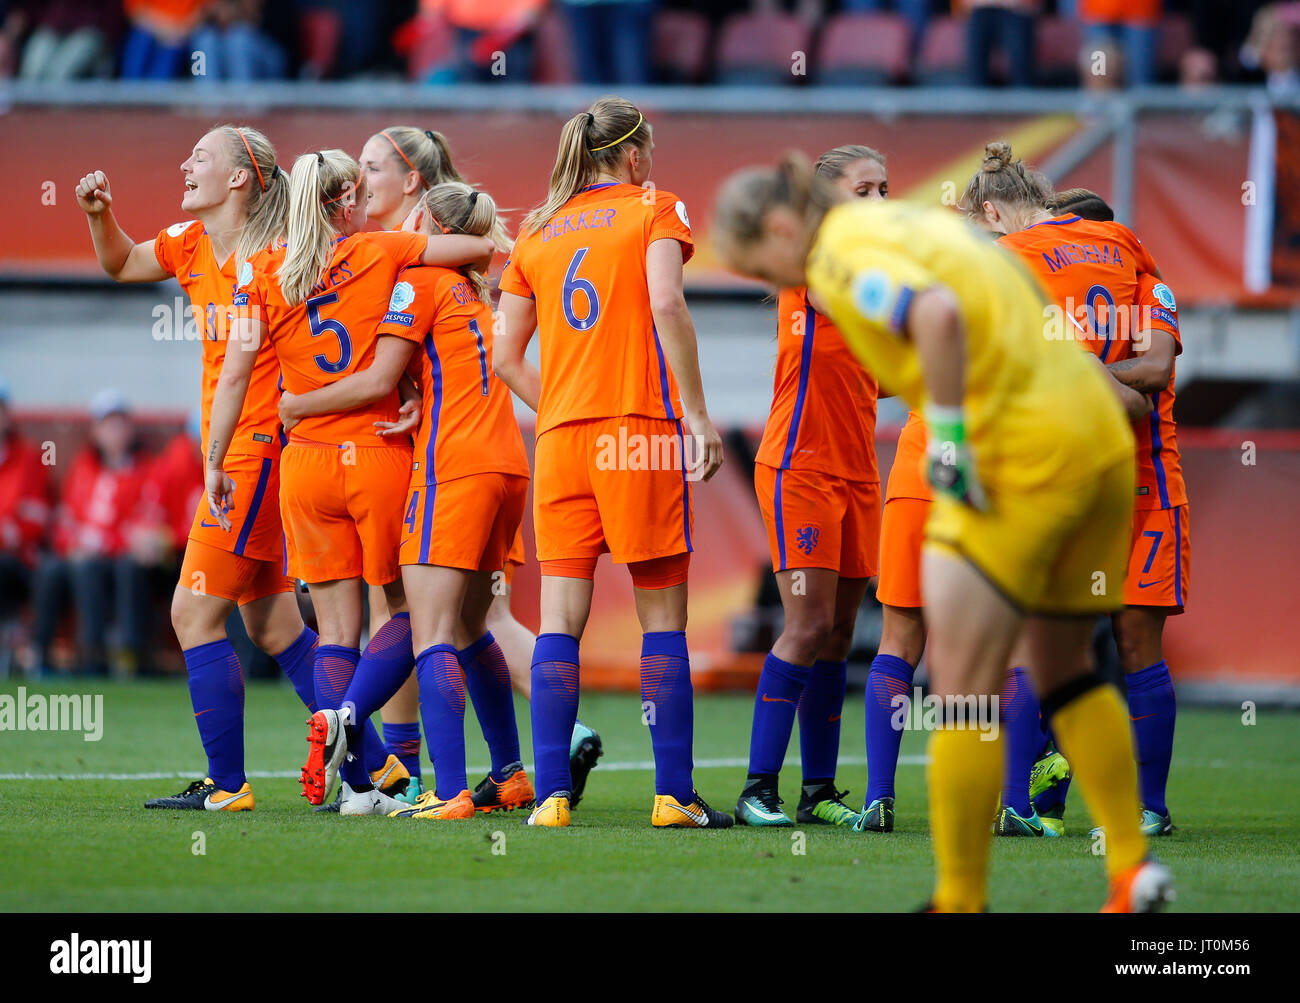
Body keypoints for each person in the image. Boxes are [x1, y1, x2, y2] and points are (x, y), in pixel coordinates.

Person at [713, 154, 1172, 912]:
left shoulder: (839, 254)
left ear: (781, 226)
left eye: (757, 260)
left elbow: (938, 318)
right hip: (1095, 433)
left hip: (1016, 448)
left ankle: (959, 895)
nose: (770, 277)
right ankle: (1131, 869)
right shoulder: (918, 224)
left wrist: (951, 439)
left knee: (961, 683)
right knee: (1066, 668)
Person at [75, 127, 408, 809]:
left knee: (192, 612)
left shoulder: (285, 253)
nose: (183, 163)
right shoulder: (191, 244)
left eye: (199, 157)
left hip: (257, 454)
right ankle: (381, 765)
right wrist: (97, 215)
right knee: (274, 628)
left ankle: (228, 786)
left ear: (237, 179)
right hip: (240, 458)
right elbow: (121, 263)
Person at [212, 147, 495, 816]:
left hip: (303, 465)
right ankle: (355, 724)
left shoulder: (259, 271)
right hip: (375, 452)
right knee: (406, 612)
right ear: (342, 202)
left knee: (335, 630)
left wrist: (215, 461)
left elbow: (232, 374)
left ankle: (358, 787)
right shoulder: (382, 249)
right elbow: (478, 245)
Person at [495, 96, 730, 828]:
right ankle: (672, 795)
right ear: (632, 155)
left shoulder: (538, 226)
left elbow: (504, 356)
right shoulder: (656, 206)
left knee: (559, 617)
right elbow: (667, 303)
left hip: (561, 440)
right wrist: (696, 415)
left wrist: (563, 400)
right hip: (641, 431)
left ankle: (554, 796)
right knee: (662, 615)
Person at [280, 182, 534, 820]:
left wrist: (296, 406)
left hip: (450, 468)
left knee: (429, 632)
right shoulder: (485, 293)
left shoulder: (416, 284)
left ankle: (439, 787)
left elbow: (379, 377)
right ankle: (508, 774)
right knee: (474, 627)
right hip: (507, 467)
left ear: (427, 224)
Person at [961, 146, 1159, 839]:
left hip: (1038, 460)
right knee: (1081, 648)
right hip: (1112, 465)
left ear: (993, 212)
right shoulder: (1120, 239)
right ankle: (1120, 814)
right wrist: (1115, 391)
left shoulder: (1009, 260)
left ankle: (1014, 797)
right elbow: (1154, 369)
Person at [735, 144, 887, 830]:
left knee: (840, 631)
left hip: (858, 471)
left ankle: (817, 789)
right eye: (865, 189)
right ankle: (757, 787)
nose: (879, 201)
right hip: (801, 468)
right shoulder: (817, 265)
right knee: (807, 624)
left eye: (885, 188)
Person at [1039, 186, 1187, 838]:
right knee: (1060, 652)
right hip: (1073, 489)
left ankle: (1149, 806)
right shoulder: (1053, 301)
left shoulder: (1154, 290)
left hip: (1148, 487)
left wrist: (1076, 372)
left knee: (1136, 643)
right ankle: (1042, 798)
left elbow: (1155, 368)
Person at [32, 390, 157, 677]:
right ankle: (67, 656)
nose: (114, 432)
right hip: (83, 557)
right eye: (107, 425)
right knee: (61, 568)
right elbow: (65, 520)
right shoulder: (83, 468)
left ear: (130, 428)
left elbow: (143, 526)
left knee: (123, 568)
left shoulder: (146, 469)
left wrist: (105, 542)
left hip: (121, 557)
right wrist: (74, 543)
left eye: (119, 424)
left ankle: (128, 655)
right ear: (96, 431)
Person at [0, 380, 51, 673]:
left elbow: (34, 523)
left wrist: (13, 530)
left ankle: (17, 644)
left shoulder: (28, 458)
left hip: (21, 560)